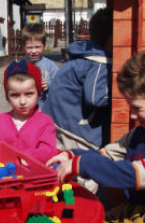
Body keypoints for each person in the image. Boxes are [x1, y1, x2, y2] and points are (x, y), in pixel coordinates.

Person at [46, 52, 145, 223]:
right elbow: (105, 154)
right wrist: (72, 155)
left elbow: (136, 175)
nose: (132, 115)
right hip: (133, 212)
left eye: (137, 108)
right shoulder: (139, 133)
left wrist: (82, 164)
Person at [42, 7, 113, 193]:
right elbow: (96, 98)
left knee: (60, 166)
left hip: (57, 120)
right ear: (111, 39)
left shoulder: (82, 53)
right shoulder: (99, 61)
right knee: (82, 174)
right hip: (76, 129)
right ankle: (84, 206)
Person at [0, 59, 57, 164]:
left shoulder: (45, 122)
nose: (22, 101)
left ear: (38, 93)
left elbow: (48, 151)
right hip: (4, 177)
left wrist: (23, 157)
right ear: (7, 96)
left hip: (34, 178)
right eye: (15, 95)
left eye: (29, 94)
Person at [21, 23, 59, 109]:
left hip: (45, 107)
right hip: (25, 108)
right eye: (30, 47)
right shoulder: (20, 65)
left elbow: (59, 85)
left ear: (44, 46)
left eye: (37, 47)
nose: (34, 51)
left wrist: (48, 85)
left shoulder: (50, 66)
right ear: (23, 47)